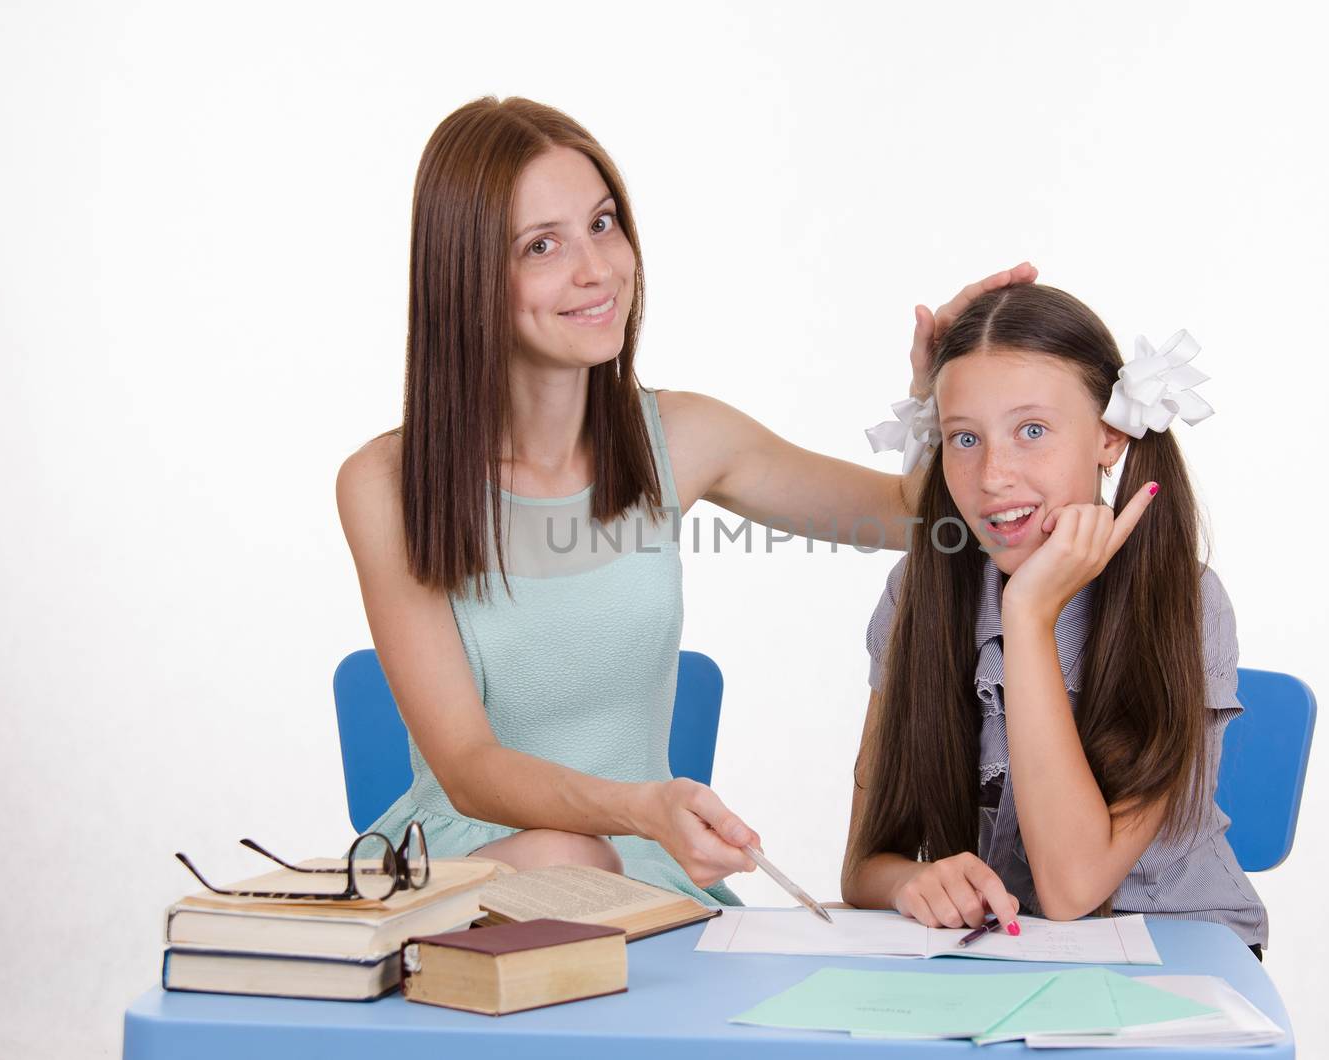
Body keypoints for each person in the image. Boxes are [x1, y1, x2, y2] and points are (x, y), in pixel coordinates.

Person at [335, 94, 1034, 906]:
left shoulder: (684, 438)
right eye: (541, 245)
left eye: (602, 224)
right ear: (466, 277)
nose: (595, 269)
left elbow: (911, 517)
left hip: (638, 865)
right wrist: (638, 810)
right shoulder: (384, 485)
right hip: (469, 876)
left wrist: (938, 389)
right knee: (568, 861)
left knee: (595, 877)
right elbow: (467, 768)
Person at [842, 283, 1267, 956]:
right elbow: (864, 866)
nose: (993, 475)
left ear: (1109, 435)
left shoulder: (1184, 603)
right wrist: (911, 882)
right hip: (1008, 955)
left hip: (1175, 951)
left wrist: (1030, 614)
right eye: (964, 438)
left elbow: (1072, 891)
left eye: (1032, 431)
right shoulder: (918, 594)